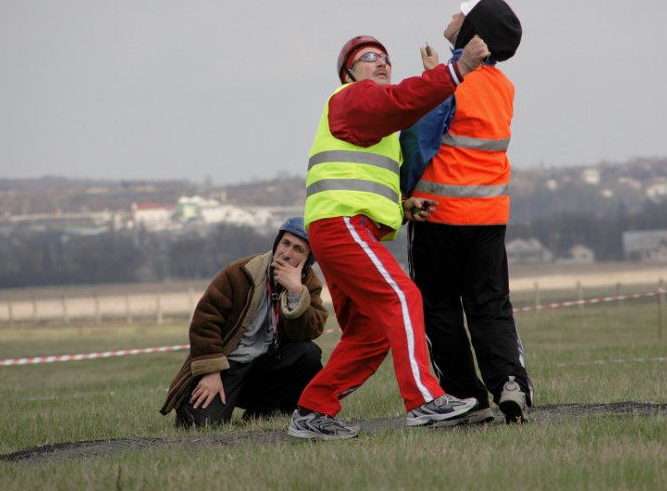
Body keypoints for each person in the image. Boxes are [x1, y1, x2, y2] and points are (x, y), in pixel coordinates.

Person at [286, 33, 491, 440]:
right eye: (368, 58)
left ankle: (312, 411)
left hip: (342, 228)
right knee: (403, 296)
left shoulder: (373, 120)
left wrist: (401, 207)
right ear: (349, 74)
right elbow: (400, 102)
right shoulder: (352, 98)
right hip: (342, 226)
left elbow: (363, 180)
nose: (381, 63)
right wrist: (456, 70)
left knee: (371, 334)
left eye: (385, 58)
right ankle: (423, 401)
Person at [404, 0, 534, 424]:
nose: (452, 14)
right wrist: (437, 74)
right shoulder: (504, 87)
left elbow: (421, 142)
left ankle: (465, 396)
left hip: (436, 216)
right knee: (491, 305)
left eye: (460, 10)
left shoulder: (450, 81)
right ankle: (510, 382)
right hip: (489, 218)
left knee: (438, 308)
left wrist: (399, 198)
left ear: (472, 29)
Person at [160, 217, 328, 427]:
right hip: (228, 364)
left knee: (308, 354)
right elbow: (205, 321)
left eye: (298, 249)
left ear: (308, 258)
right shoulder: (241, 272)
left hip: (266, 365)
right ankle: (194, 408)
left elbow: (310, 331)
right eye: (285, 243)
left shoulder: (308, 284)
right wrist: (211, 370)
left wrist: (296, 293)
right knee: (198, 426)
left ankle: (265, 411)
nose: (287, 253)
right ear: (277, 243)